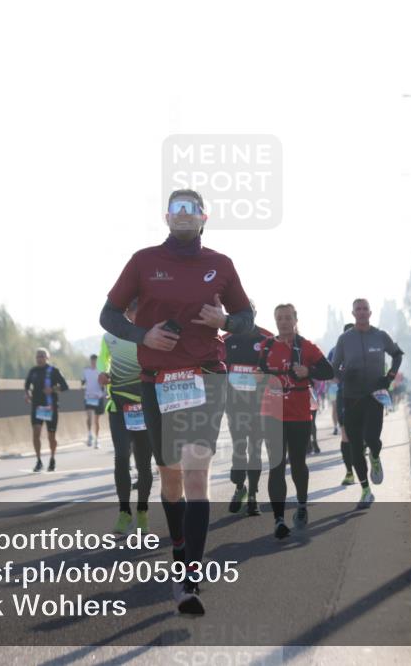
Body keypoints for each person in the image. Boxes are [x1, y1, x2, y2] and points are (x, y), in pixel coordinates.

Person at [100, 188, 253, 615]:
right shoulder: (144, 261)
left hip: (206, 378)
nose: (184, 214)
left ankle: (189, 578)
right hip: (158, 381)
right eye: (176, 207)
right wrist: (141, 335)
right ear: (166, 217)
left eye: (192, 208)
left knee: (197, 477)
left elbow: (247, 318)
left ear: (204, 216)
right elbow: (108, 314)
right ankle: (180, 548)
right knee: (170, 479)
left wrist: (225, 321)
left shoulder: (220, 265)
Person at [258, 304, 333, 539]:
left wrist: (307, 371)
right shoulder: (266, 346)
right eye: (279, 318)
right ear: (275, 321)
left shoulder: (306, 346)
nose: (283, 322)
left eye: (288, 317)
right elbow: (257, 376)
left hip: (299, 414)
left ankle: (301, 504)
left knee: (298, 463)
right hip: (272, 414)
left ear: (295, 319)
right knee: (276, 465)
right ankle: (279, 520)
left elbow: (328, 371)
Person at [330, 299, 404, 508]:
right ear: (353, 313)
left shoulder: (380, 336)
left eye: (365, 309)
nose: (361, 313)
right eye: (358, 310)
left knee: (372, 438)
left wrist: (389, 376)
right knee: (354, 446)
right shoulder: (345, 339)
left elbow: (397, 355)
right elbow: (334, 369)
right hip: (351, 398)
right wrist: (345, 375)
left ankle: (375, 456)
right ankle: (365, 490)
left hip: (375, 395)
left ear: (370, 313)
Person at [98, 299, 153, 534]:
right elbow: (103, 360)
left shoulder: (150, 335)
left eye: (140, 311)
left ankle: (142, 511)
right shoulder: (109, 336)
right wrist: (102, 372)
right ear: (125, 313)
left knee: (143, 464)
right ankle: (124, 512)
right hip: (118, 406)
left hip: (145, 407)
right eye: (132, 311)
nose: (135, 315)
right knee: (121, 456)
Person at [222, 308, 272, 517]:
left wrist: (266, 375)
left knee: (255, 450)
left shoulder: (267, 338)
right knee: (239, 449)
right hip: (234, 405)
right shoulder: (225, 340)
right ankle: (240, 487)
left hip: (259, 405)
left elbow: (274, 368)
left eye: (248, 313)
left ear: (255, 314)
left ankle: (252, 497)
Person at [24, 348, 68, 472]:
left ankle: (52, 458)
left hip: (51, 407)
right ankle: (38, 461)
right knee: (36, 433)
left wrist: (53, 389)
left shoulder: (54, 371)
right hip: (37, 407)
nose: (40, 358)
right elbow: (27, 386)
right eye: (38, 356)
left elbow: (65, 386)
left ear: (47, 357)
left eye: (42, 356)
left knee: (51, 436)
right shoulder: (33, 371)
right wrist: (27, 394)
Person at [328, 323, 355, 484]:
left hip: (363, 396)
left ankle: (368, 449)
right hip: (343, 394)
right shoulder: (335, 351)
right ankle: (349, 473)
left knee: (361, 433)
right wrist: (336, 378)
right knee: (345, 433)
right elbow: (328, 372)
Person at [81, 354, 106, 449]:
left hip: (98, 398)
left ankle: (97, 440)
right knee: (88, 417)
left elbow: (104, 383)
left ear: (97, 361)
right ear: (90, 361)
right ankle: (89, 435)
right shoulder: (86, 370)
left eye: (95, 361)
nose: (93, 362)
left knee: (96, 420)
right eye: (92, 360)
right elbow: (83, 381)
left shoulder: (100, 371)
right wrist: (82, 383)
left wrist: (103, 390)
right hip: (88, 397)